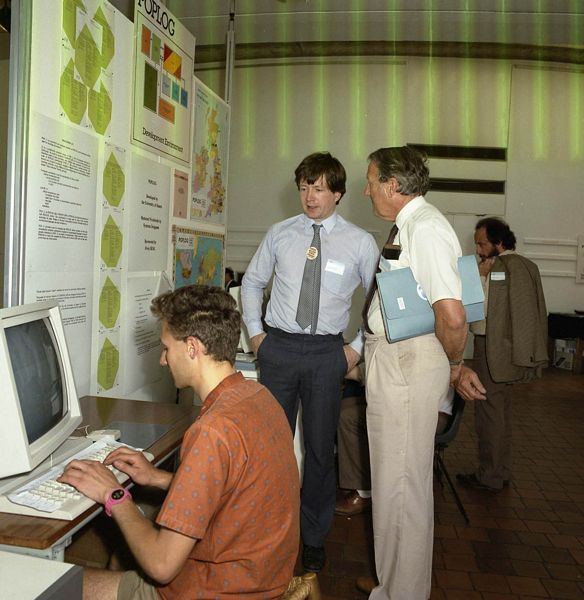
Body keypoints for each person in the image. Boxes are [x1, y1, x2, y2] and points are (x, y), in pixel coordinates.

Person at [59, 285, 300, 600]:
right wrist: (158, 478)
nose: (162, 360)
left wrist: (113, 494)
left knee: (54, 584)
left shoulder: (212, 430)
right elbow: (235, 489)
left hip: (216, 590)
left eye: (166, 348)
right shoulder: (259, 396)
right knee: (133, 525)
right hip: (265, 576)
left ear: (192, 347)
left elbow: (162, 566)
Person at [357, 146, 486, 599]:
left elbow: (451, 316)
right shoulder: (409, 225)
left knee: (402, 490)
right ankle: (393, 584)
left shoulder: (427, 228)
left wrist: (453, 366)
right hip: (398, 361)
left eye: (371, 180)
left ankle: (402, 594)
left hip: (408, 363)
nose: (366, 188)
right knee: (393, 485)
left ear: (393, 186)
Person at [241, 151, 379, 573]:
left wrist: (355, 348)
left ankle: (314, 536)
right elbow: (252, 282)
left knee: (320, 450)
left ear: (337, 193)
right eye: (303, 187)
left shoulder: (359, 242)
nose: (309, 196)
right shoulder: (280, 233)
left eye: (318, 188)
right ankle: (268, 528)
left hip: (326, 356)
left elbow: (380, 301)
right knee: (272, 447)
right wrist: (257, 335)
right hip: (278, 349)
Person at [457, 217, 548, 492]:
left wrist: (482, 277)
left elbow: (484, 311)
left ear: (498, 243)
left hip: (492, 349)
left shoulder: (498, 268)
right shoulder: (526, 265)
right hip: (512, 350)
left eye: (482, 244)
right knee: (502, 412)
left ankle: (490, 475)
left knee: (489, 413)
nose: (478, 250)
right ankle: (501, 470)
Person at [335, 366, 454, 517]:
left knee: (348, 417)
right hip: (407, 402)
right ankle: (354, 477)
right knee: (343, 406)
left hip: (429, 412)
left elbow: (399, 383)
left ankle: (364, 492)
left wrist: (358, 372)